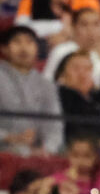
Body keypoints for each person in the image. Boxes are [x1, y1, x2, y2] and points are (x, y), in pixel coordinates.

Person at [0, 26, 62, 155]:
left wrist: (47, 149)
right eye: (17, 42)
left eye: (29, 42)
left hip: (37, 152)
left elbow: (54, 126)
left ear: (37, 49)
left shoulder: (47, 85)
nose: (24, 48)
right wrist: (9, 137)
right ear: (4, 48)